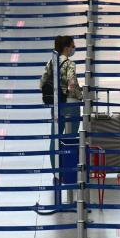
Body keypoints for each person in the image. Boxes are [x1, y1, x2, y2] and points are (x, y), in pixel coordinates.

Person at [40, 35, 82, 169]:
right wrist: (80, 95)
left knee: (55, 138)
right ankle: (69, 168)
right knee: (70, 138)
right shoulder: (70, 64)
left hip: (57, 104)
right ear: (67, 48)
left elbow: (42, 82)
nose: (74, 49)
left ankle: (56, 170)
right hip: (70, 103)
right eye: (73, 46)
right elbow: (72, 84)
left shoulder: (51, 62)